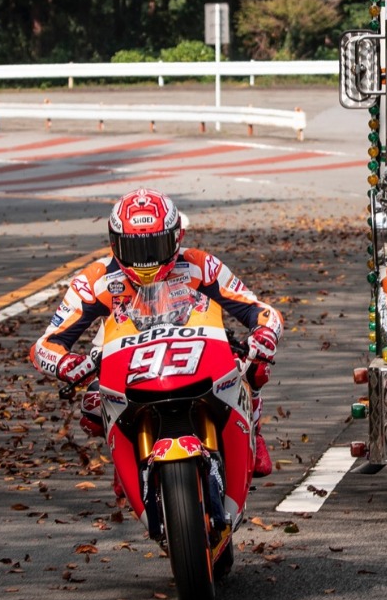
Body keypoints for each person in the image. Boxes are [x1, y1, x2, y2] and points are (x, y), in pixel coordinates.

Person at [29, 188, 282, 478]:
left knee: (254, 364)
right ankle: (127, 461)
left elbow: (258, 309)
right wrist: (66, 363)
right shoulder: (95, 280)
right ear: (114, 243)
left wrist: (265, 332)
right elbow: (45, 345)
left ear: (177, 238)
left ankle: (255, 432)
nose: (145, 260)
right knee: (92, 406)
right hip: (127, 363)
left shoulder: (200, 265)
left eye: (155, 246)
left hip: (198, 350)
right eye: (135, 249)